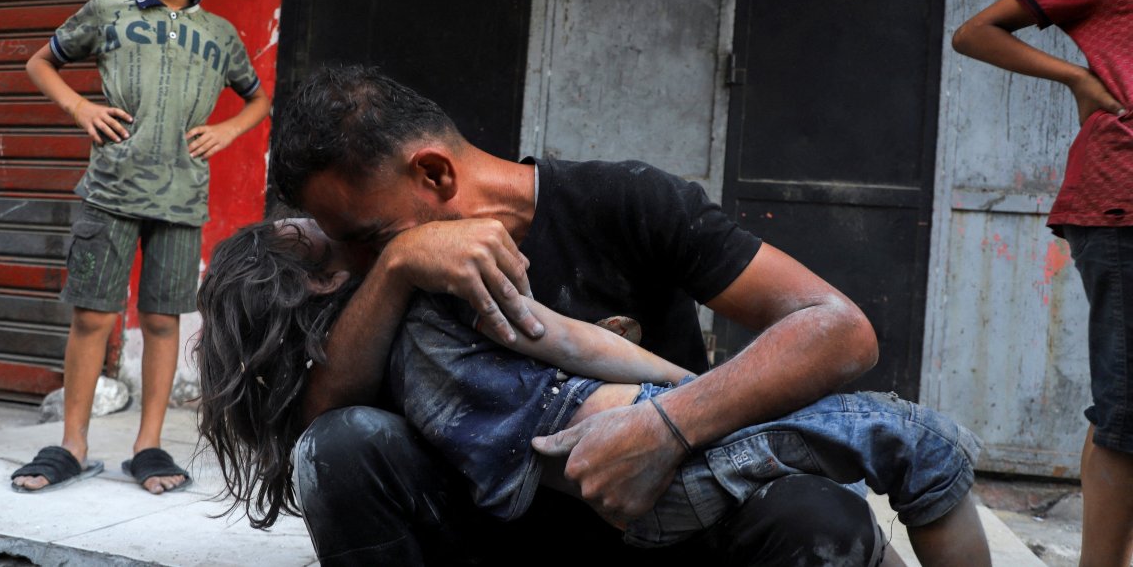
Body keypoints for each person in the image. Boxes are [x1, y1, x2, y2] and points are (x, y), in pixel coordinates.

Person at [268, 64, 906, 565]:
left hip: (670, 522)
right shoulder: (386, 266)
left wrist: (667, 426)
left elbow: (840, 329)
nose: (354, 260)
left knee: (824, 521)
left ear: (434, 173)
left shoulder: (624, 200)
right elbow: (319, 423)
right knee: (339, 446)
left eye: (370, 235)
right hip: (497, 539)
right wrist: (399, 260)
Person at [196, 218, 990, 565]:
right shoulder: (419, 305)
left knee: (839, 498)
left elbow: (568, 340)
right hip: (653, 475)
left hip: (657, 482)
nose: (348, 226)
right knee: (921, 438)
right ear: (326, 276)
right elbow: (564, 340)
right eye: (324, 229)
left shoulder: (421, 315)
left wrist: (699, 392)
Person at [10, 0, 270, 494]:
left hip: (181, 199)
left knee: (160, 320)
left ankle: (148, 445)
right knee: (93, 317)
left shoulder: (221, 35)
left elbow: (258, 98)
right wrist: (79, 107)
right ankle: (71, 443)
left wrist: (228, 128)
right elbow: (39, 63)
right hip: (109, 192)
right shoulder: (106, 13)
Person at [952, 0, 1133, 567]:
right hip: (1122, 202)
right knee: (1128, 415)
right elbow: (977, 32)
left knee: (1121, 405)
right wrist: (1077, 76)